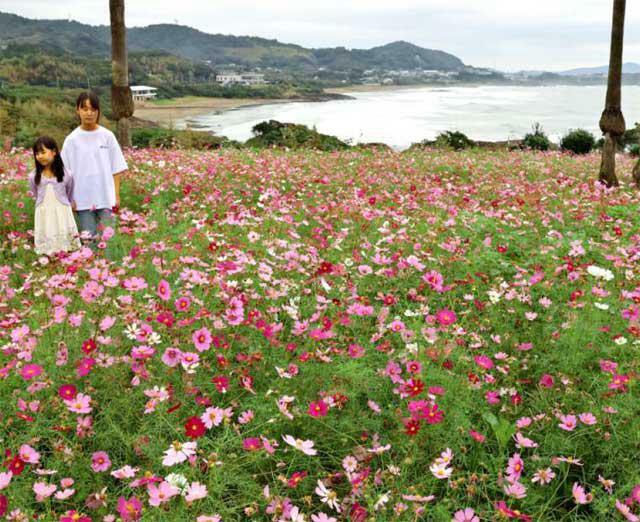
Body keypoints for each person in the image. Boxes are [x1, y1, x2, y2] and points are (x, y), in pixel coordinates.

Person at [61, 92, 128, 246]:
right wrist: (69, 199)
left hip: (106, 198)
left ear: (98, 111)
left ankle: (112, 270)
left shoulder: (107, 136)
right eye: (84, 109)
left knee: (109, 242)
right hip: (82, 200)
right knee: (88, 242)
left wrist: (116, 195)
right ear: (77, 110)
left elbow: (116, 168)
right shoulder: (72, 140)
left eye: (93, 109)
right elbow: (65, 174)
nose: (89, 113)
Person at [28, 136, 81, 256]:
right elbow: (36, 194)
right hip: (44, 212)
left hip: (62, 211)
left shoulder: (67, 174)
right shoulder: (33, 176)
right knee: (47, 241)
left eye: (43, 152)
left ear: (54, 152)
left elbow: (69, 193)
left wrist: (69, 203)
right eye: (37, 153)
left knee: (65, 240)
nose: (40, 156)